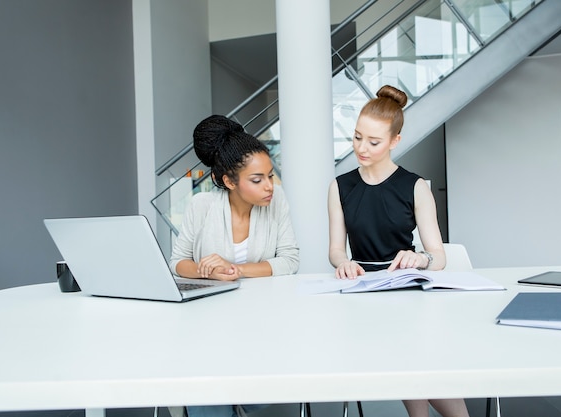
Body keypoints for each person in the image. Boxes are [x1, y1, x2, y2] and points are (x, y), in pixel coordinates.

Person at [327, 85, 470, 417]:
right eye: (357, 137)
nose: (362, 148)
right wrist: (343, 262)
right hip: (361, 295)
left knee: (420, 359)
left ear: (395, 141)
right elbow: (335, 249)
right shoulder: (340, 186)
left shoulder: (415, 187)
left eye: (373, 142)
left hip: (408, 290)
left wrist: (421, 258)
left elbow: (438, 255)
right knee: (409, 361)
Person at [169, 114, 299, 417]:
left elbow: (290, 261)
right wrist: (205, 269)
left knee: (253, 387)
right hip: (210, 324)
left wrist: (236, 269)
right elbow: (178, 262)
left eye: (270, 175)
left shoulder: (276, 199)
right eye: (257, 180)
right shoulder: (201, 206)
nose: (269, 186)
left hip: (262, 321)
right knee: (207, 383)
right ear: (229, 181)